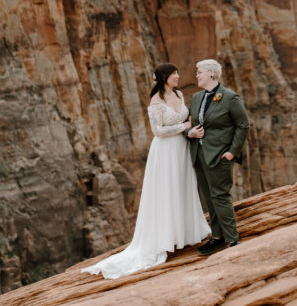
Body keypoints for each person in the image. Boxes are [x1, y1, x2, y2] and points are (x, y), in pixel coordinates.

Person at [84, 63, 210, 279]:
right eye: (174, 74)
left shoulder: (179, 94)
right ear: (164, 77)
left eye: (178, 72)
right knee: (167, 191)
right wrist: (184, 128)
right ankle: (166, 238)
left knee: (182, 187)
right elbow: (158, 131)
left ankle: (185, 233)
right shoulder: (155, 101)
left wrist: (190, 127)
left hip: (182, 148)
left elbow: (185, 118)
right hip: (165, 151)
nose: (178, 76)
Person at [185, 59, 250, 256]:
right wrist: (189, 134)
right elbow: (187, 124)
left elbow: (243, 125)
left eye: (199, 72)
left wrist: (232, 152)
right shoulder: (196, 98)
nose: (196, 75)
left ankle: (233, 239)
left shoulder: (230, 97)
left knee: (221, 196)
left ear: (212, 73)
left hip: (220, 155)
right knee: (210, 198)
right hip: (199, 155)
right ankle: (217, 238)